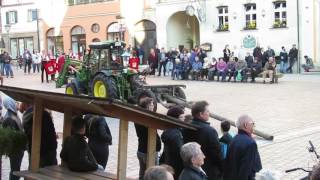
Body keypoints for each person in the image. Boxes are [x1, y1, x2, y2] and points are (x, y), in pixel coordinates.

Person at [183, 101, 223, 180]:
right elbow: (217, 153)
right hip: (209, 171)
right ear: (201, 114)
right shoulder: (209, 131)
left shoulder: (186, 127)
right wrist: (222, 169)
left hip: (191, 168)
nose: (209, 113)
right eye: (207, 111)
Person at [224, 115, 262, 180]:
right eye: (252, 123)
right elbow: (245, 170)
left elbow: (228, 164)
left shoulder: (234, 139)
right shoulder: (251, 143)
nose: (254, 126)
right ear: (246, 125)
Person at [134, 97, 162, 180]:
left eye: (153, 103)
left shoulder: (138, 116)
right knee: (153, 175)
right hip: (149, 152)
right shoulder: (148, 118)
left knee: (142, 174)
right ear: (146, 106)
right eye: (151, 104)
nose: (153, 106)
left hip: (141, 150)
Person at [2, 96, 24, 180]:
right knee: (15, 171)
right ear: (10, 103)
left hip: (18, 149)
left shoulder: (13, 114)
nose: (17, 104)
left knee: (16, 170)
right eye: (15, 102)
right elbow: (13, 136)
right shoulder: (9, 118)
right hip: (15, 150)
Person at [160, 106, 185, 179]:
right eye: (181, 117)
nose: (183, 119)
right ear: (174, 119)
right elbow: (180, 152)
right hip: (177, 166)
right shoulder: (176, 135)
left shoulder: (168, 130)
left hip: (168, 162)